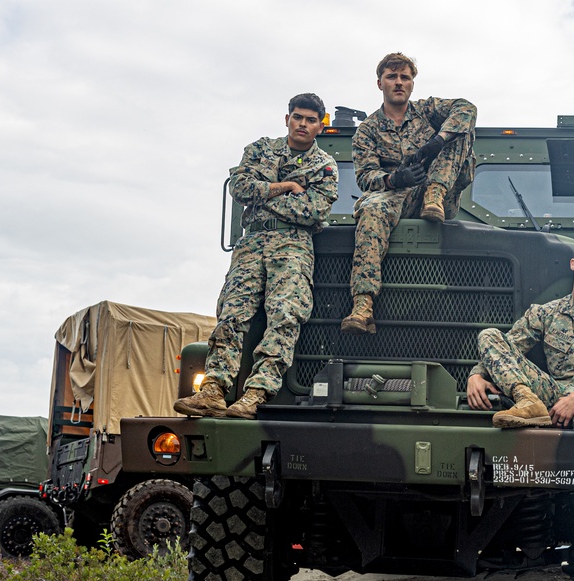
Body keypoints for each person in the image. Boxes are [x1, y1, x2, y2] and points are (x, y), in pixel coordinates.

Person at [466, 241, 574, 566]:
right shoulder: (546, 313)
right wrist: (476, 375)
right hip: (549, 392)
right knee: (490, 335)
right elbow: (508, 346)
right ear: (573, 264)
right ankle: (525, 399)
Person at [174, 93, 338, 419]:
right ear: (287, 118)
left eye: (309, 120)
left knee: (283, 318)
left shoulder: (325, 166)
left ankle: (255, 395)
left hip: (293, 247)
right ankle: (213, 390)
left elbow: (313, 212)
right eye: (297, 117)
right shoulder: (261, 148)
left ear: (319, 126)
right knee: (232, 315)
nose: (302, 124)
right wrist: (286, 186)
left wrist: (263, 193)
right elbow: (239, 187)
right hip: (253, 242)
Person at [341, 52, 477, 335]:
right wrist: (393, 178)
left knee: (462, 130)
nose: (399, 82)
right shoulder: (367, 130)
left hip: (440, 196)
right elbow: (365, 177)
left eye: (405, 77)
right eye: (392, 77)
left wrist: (437, 141)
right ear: (380, 83)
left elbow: (467, 108)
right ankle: (363, 306)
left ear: (413, 83)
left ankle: (434, 194)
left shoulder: (428, 111)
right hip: (396, 196)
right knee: (371, 209)